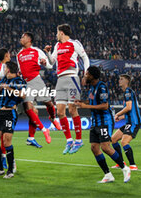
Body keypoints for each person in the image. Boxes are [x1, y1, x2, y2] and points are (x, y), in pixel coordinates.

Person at [75, 66, 131, 183]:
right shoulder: (92, 88)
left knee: (105, 147)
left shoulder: (102, 87)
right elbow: (91, 102)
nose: (85, 75)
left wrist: (86, 106)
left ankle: (124, 168)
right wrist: (81, 103)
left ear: (92, 75)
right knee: (94, 148)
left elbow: (105, 105)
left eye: (87, 74)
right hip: (95, 121)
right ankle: (108, 175)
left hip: (105, 120)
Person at [44, 24, 90, 154]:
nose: (56, 35)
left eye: (57, 32)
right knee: (60, 112)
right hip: (60, 80)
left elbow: (85, 58)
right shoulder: (57, 46)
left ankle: (79, 140)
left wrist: (86, 73)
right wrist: (47, 54)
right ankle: (69, 140)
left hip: (72, 79)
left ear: (62, 33)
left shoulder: (74, 43)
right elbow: (51, 63)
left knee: (72, 109)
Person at [17, 32, 61, 147]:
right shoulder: (19, 55)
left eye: (23, 37)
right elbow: (20, 70)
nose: (21, 39)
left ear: (29, 40)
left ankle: (52, 118)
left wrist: (44, 62)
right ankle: (44, 130)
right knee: (28, 107)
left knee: (49, 104)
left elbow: (50, 66)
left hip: (36, 80)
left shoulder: (36, 51)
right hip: (26, 83)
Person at [0, 61, 26, 179]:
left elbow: (22, 94)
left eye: (5, 68)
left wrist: (8, 88)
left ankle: (10, 170)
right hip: (0, 112)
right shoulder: (4, 80)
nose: (3, 69)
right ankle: (0, 168)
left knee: (6, 142)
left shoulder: (19, 81)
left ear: (9, 69)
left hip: (10, 112)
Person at [111, 75, 141, 171]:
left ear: (127, 81)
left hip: (134, 122)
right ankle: (121, 163)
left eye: (121, 79)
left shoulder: (128, 91)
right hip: (129, 122)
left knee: (124, 142)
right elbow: (130, 111)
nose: (119, 80)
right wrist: (121, 117)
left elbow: (128, 107)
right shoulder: (127, 93)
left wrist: (116, 114)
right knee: (113, 139)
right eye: (119, 78)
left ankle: (133, 165)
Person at [0, 48, 12, 168]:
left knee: (4, 133)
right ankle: (6, 159)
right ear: (6, 55)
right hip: (6, 103)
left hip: (5, 102)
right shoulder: (4, 68)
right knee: (5, 133)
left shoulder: (1, 67)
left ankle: (4, 158)